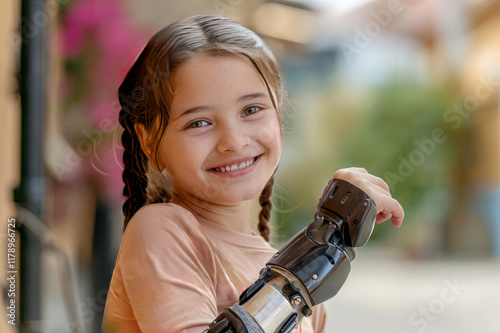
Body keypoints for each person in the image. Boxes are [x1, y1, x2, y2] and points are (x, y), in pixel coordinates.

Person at [101, 15, 404, 333]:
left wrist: (318, 252)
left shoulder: (290, 270)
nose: (233, 141)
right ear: (150, 142)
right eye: (199, 122)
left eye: (251, 110)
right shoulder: (160, 231)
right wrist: (310, 262)